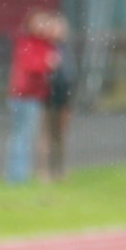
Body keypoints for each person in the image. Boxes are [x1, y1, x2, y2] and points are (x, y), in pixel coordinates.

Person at [5, 9, 58, 184]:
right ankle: (18, 176)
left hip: (31, 94)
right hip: (25, 95)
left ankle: (20, 174)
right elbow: (32, 66)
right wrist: (48, 63)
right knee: (23, 135)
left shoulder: (42, 42)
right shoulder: (29, 42)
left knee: (24, 135)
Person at [40, 11, 74, 182]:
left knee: (60, 136)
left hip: (63, 97)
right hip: (48, 97)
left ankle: (60, 170)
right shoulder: (46, 47)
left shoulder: (64, 48)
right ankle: (45, 171)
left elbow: (69, 75)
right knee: (47, 135)